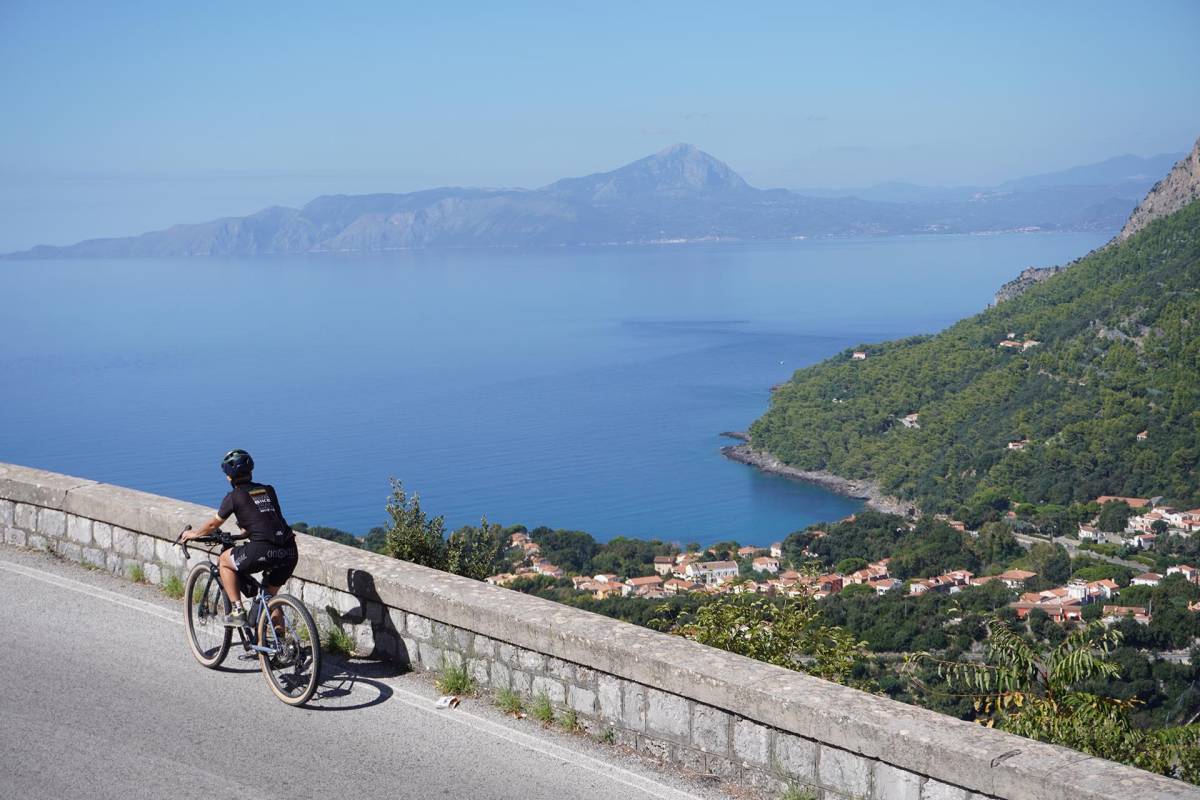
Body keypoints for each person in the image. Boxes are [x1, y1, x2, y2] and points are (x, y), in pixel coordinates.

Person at [180, 449, 298, 626]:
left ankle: (237, 610)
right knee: (268, 597)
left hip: (263, 549)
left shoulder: (234, 497)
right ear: (251, 471)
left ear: (229, 477)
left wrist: (194, 534)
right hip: (289, 550)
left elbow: (213, 525)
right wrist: (246, 532)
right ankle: (283, 643)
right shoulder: (268, 490)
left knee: (224, 561)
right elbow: (269, 519)